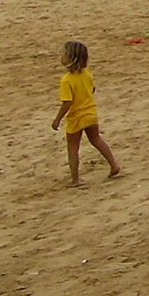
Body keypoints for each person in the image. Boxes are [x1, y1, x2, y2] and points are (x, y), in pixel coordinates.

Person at [51, 39, 122, 186]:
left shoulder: (66, 80)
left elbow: (67, 102)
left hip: (76, 118)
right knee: (96, 139)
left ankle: (75, 180)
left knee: (73, 148)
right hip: (90, 113)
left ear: (70, 59)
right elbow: (92, 89)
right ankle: (113, 165)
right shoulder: (87, 74)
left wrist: (57, 119)